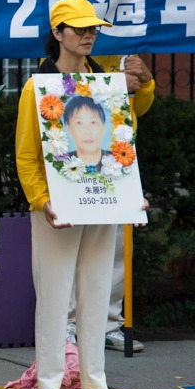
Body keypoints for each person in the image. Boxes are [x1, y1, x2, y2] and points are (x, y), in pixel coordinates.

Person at [15, 0, 138, 389]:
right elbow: (26, 154)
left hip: (103, 200)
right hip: (58, 205)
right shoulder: (37, 86)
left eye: (92, 29)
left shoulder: (107, 83)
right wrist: (41, 199)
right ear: (57, 32)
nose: (88, 35)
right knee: (54, 294)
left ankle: (93, 380)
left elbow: (125, 138)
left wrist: (129, 191)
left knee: (98, 292)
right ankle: (49, 383)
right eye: (79, 28)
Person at [65, 55, 154, 353]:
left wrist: (145, 83)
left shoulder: (130, 51)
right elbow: (61, 94)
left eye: (93, 32)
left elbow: (138, 108)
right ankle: (68, 324)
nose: (89, 36)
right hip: (74, 163)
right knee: (71, 246)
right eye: (85, 31)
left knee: (116, 246)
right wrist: (114, 85)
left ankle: (108, 323)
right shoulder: (66, 50)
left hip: (117, 158)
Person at [62, 96, 109, 172]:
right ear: (69, 128)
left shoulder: (119, 159)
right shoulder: (60, 163)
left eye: (93, 122)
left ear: (103, 126)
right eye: (79, 123)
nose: (87, 131)